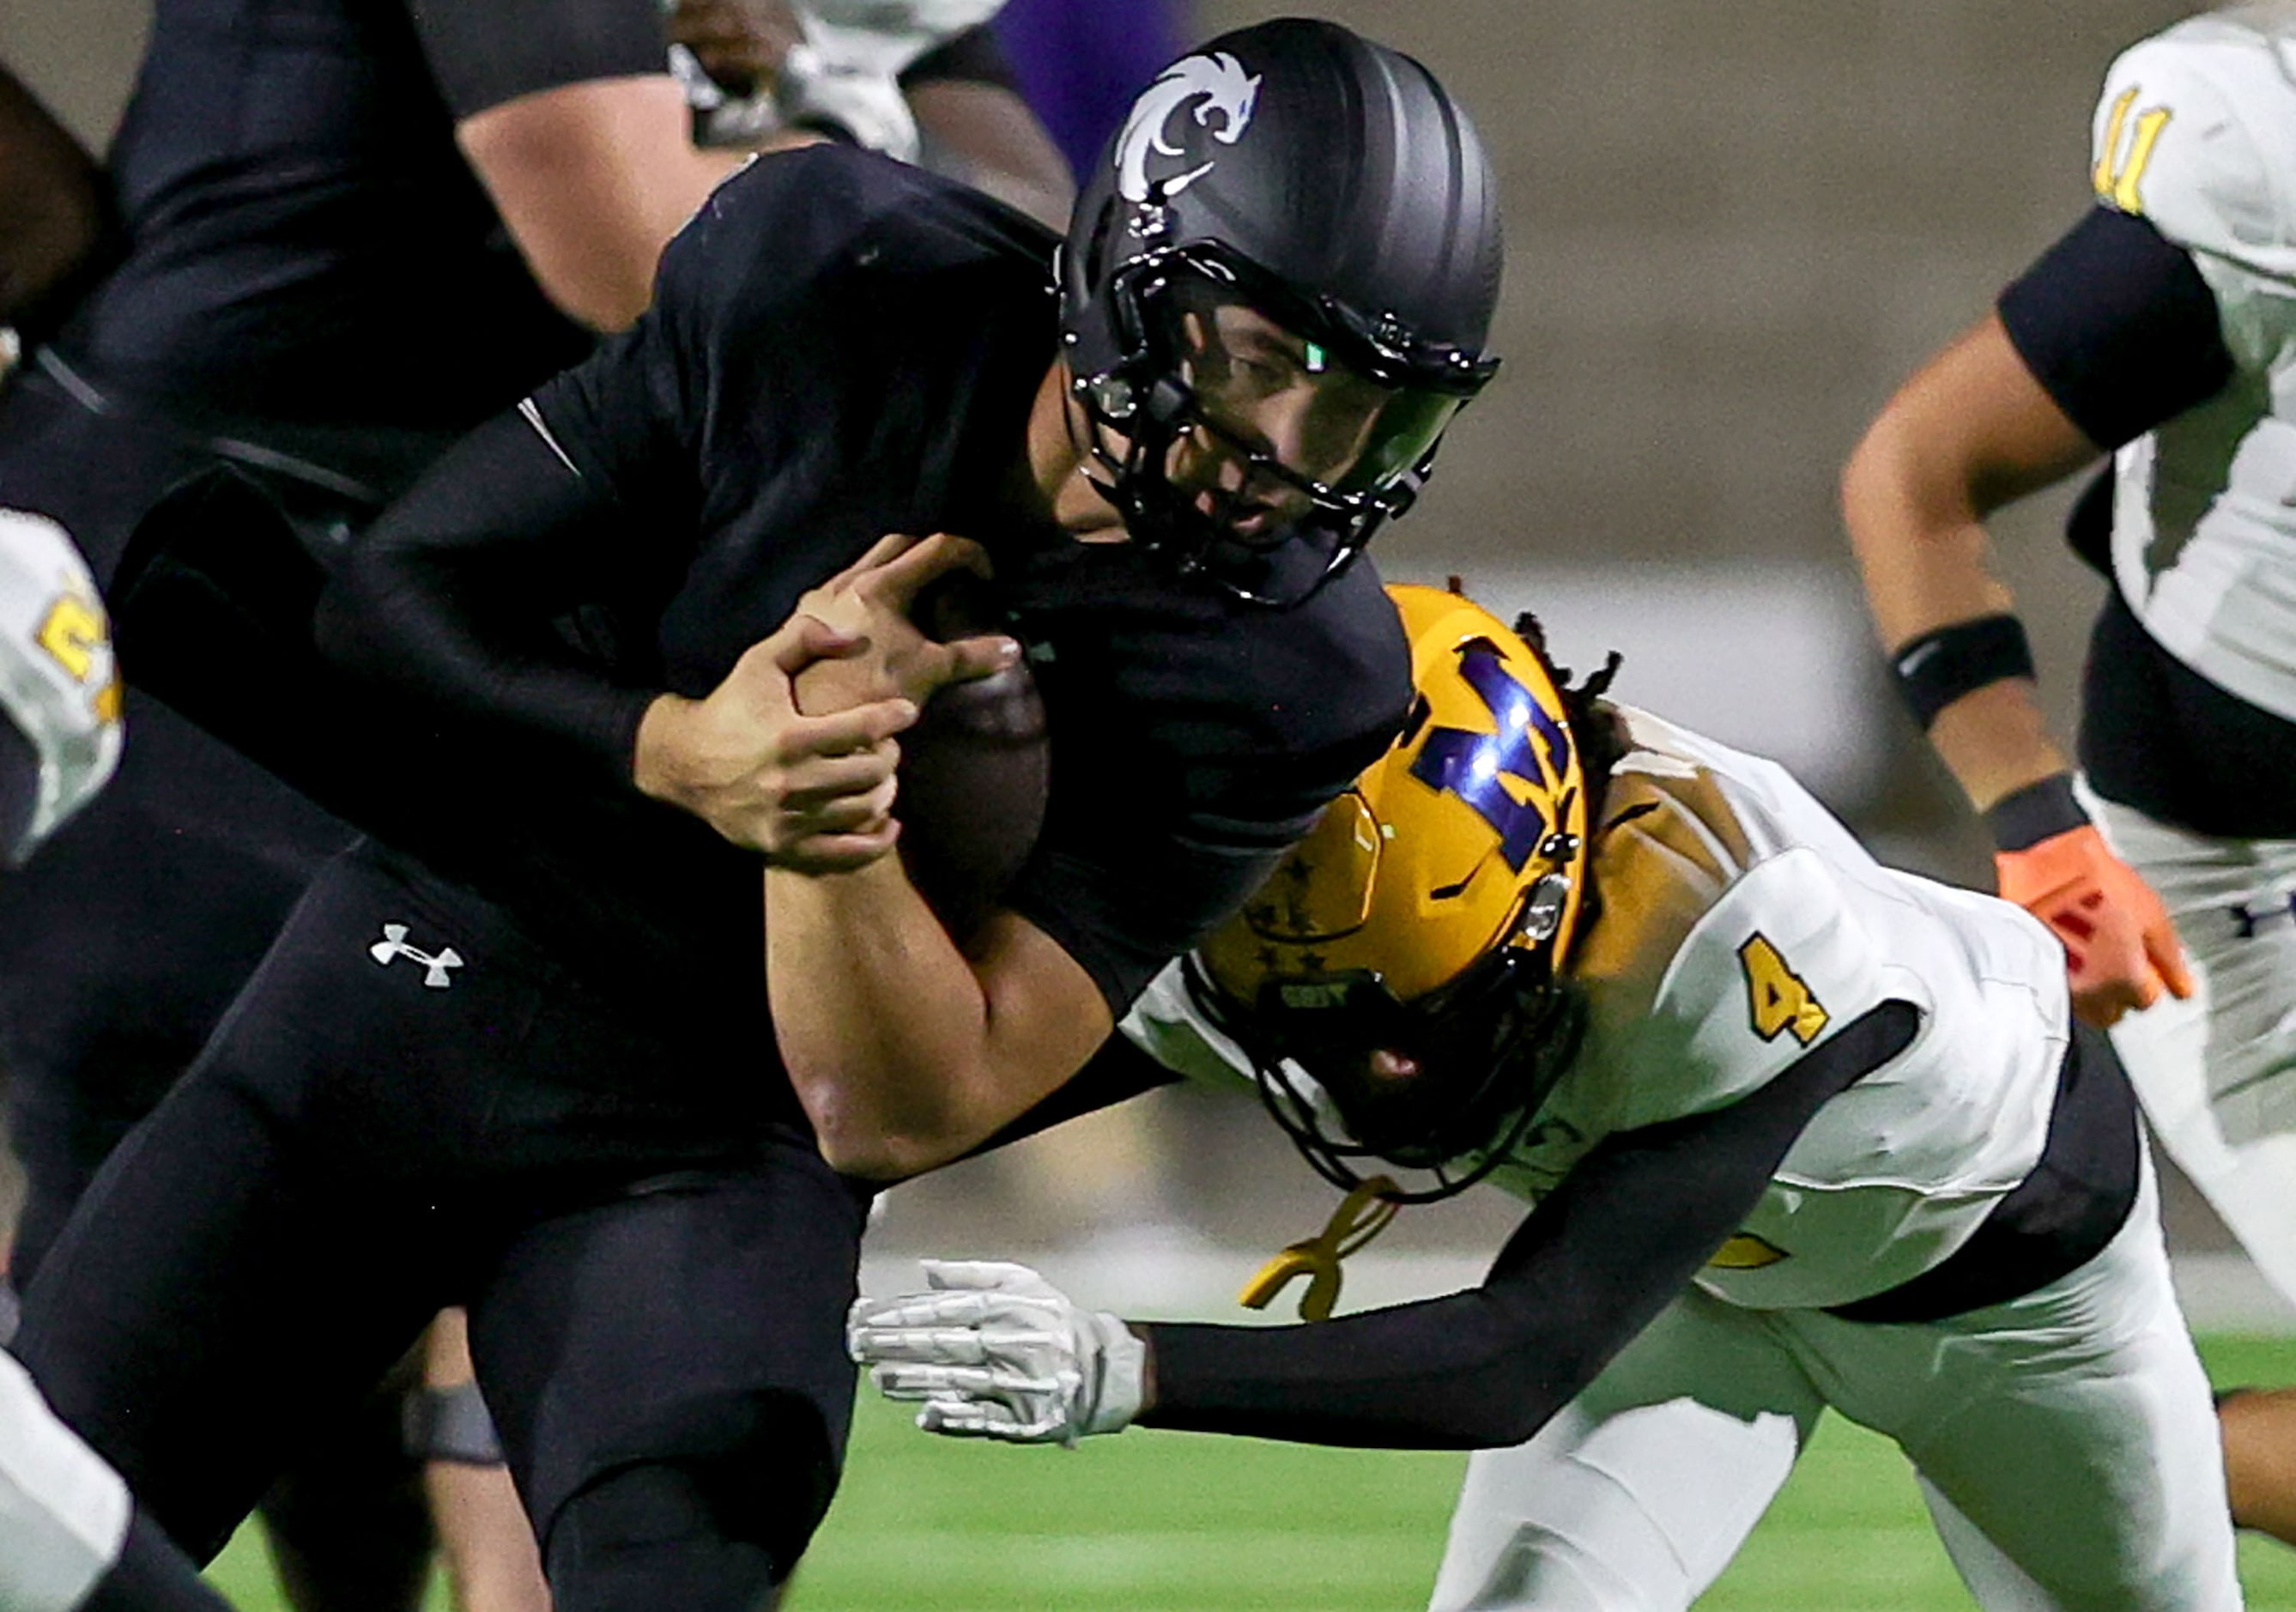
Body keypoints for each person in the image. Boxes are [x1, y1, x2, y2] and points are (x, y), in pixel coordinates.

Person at [13, 19, 1505, 1609]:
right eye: (1263, 361)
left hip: (712, 1137)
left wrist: (827, 813)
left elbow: (900, 1108)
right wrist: (683, 748)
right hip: (423, 970)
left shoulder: (1301, 670)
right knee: (38, 1512)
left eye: (1370, 415)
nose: (1294, 456)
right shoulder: (835, 270)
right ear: (1138, 278)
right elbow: (401, 604)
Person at [850, 584, 2242, 1611]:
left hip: (1998, 1292)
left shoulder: (1727, 937)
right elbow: (921, 1096)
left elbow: (1519, 1354)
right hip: (1691, 1289)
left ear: (1548, 903)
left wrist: (1125, 1366)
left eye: (1418, 1015)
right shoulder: (1294, 927)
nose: (1376, 1070)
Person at [1839, 1, 2296, 1545]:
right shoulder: (2267, 174)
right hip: (2241, 886)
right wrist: (2040, 833)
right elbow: (1915, 471)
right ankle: (2079, 1423)